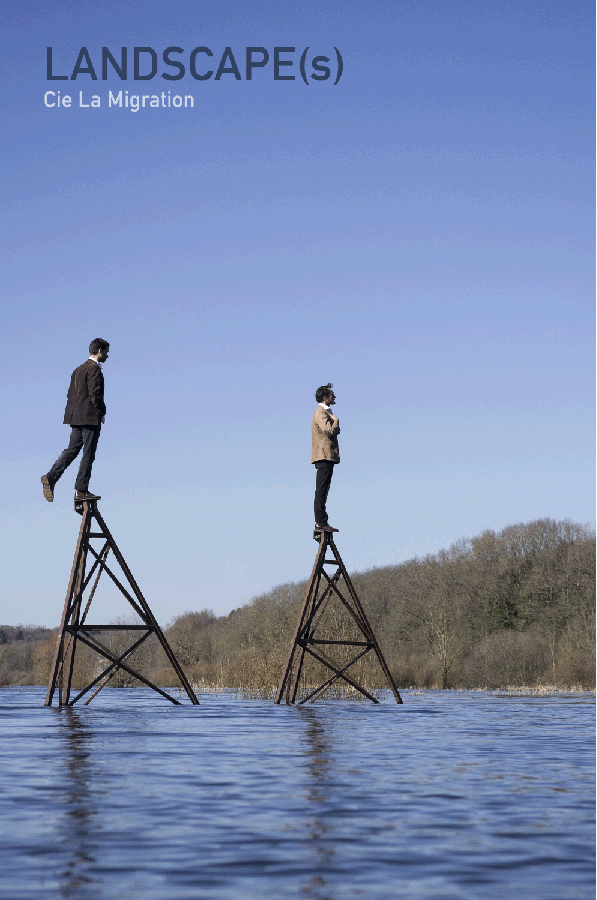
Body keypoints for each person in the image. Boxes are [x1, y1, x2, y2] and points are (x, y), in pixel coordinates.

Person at [41, 338, 110, 502]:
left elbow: (71, 394)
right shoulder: (94, 369)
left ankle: (51, 477)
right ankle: (81, 490)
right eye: (106, 351)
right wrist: (101, 411)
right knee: (88, 453)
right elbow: (95, 394)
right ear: (99, 350)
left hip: (75, 416)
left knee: (72, 450)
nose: (107, 355)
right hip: (90, 417)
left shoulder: (77, 370)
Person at [311, 383, 340, 533]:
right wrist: (335, 421)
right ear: (324, 397)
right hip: (324, 456)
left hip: (327, 456)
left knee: (323, 489)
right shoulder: (321, 413)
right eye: (331, 394)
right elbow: (329, 431)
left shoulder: (325, 412)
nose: (334, 396)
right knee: (321, 490)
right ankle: (321, 522)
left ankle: (322, 521)